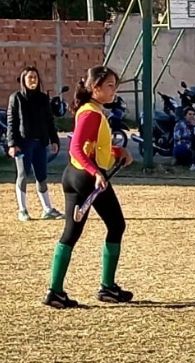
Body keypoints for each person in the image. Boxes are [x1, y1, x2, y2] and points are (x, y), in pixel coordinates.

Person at [45, 65, 135, 308]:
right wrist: (96, 172)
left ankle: (64, 291)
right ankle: (99, 288)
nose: (113, 90)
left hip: (78, 175)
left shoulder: (93, 110)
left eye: (114, 86)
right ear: (95, 88)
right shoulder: (91, 114)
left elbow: (93, 146)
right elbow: (75, 148)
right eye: (109, 86)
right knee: (111, 226)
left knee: (88, 230)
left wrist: (118, 151)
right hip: (86, 179)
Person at [6, 66, 63, 221]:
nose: (33, 80)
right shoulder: (16, 98)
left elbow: (49, 121)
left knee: (42, 176)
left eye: (35, 77)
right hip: (23, 143)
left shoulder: (43, 99)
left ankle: (47, 209)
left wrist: (54, 139)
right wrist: (12, 144)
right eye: (30, 77)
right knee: (23, 175)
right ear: (24, 80)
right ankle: (23, 210)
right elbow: (11, 122)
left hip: (40, 143)